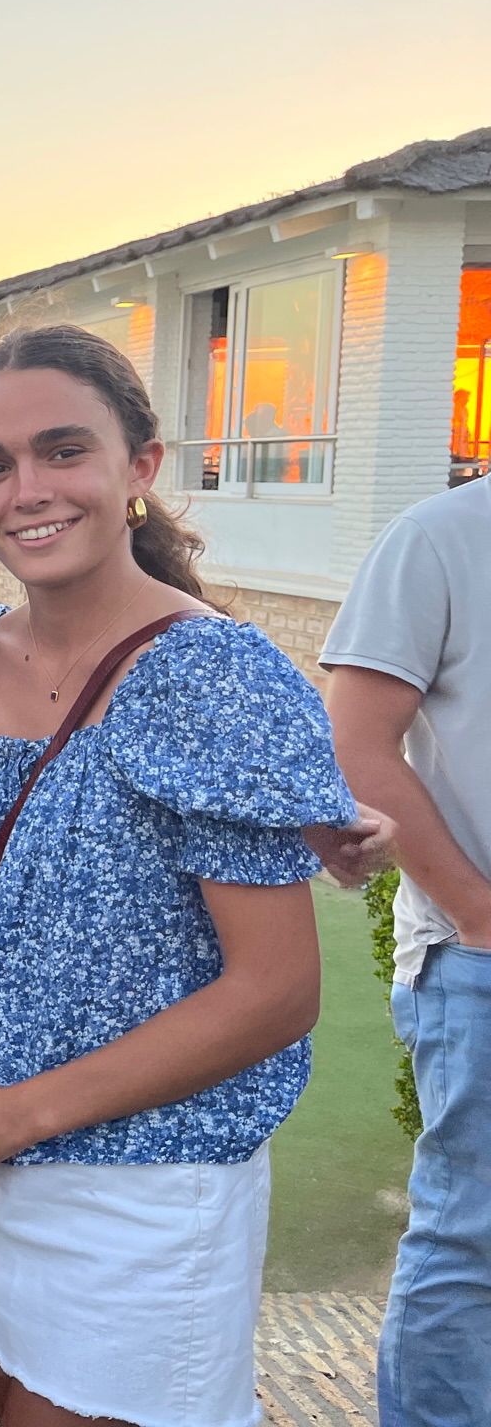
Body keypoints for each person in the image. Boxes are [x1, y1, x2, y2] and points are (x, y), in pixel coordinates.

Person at [0, 325, 363, 1427]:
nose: (25, 489)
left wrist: (20, 1116)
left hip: (137, 1183)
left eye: (60, 450)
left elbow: (273, 992)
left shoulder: (209, 676)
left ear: (138, 466)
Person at [322, 469, 491, 1427]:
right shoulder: (440, 538)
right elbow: (356, 741)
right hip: (481, 966)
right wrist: (478, 913)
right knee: (473, 1248)